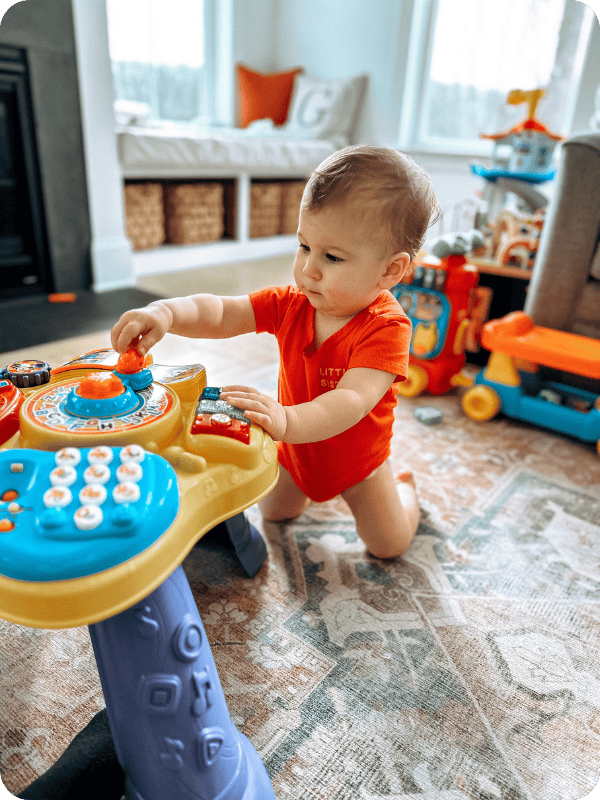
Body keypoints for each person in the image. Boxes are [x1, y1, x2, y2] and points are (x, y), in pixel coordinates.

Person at [111, 146, 439, 559]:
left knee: (388, 545)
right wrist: (166, 311)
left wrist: (287, 419)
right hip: (296, 450)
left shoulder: (387, 328)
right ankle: (304, 484)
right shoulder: (293, 303)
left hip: (358, 464)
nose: (308, 270)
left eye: (332, 257)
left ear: (390, 271)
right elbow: (222, 312)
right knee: (274, 514)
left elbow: (352, 399)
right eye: (304, 247)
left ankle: (403, 489)